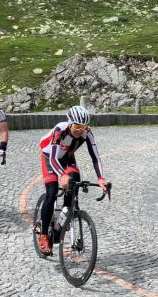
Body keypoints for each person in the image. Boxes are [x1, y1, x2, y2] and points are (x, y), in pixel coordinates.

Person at [38, 105, 107, 255]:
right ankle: (43, 235)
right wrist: (62, 175)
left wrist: (101, 178)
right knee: (52, 191)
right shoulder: (60, 130)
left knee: (74, 183)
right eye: (76, 126)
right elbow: (54, 158)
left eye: (83, 127)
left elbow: (95, 157)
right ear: (70, 123)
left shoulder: (87, 133)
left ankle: (61, 221)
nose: (80, 130)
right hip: (50, 156)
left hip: (67, 156)